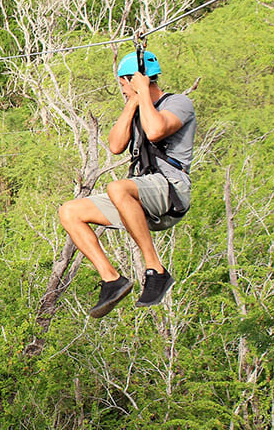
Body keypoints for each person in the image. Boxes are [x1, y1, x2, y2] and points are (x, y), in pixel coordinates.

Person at [58, 50, 196, 318]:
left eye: (123, 85)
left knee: (118, 187)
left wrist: (142, 94)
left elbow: (156, 131)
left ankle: (155, 269)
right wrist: (132, 104)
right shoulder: (136, 109)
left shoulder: (178, 103)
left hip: (171, 190)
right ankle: (112, 280)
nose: (122, 91)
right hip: (139, 198)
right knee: (69, 211)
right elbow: (115, 145)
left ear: (134, 80)